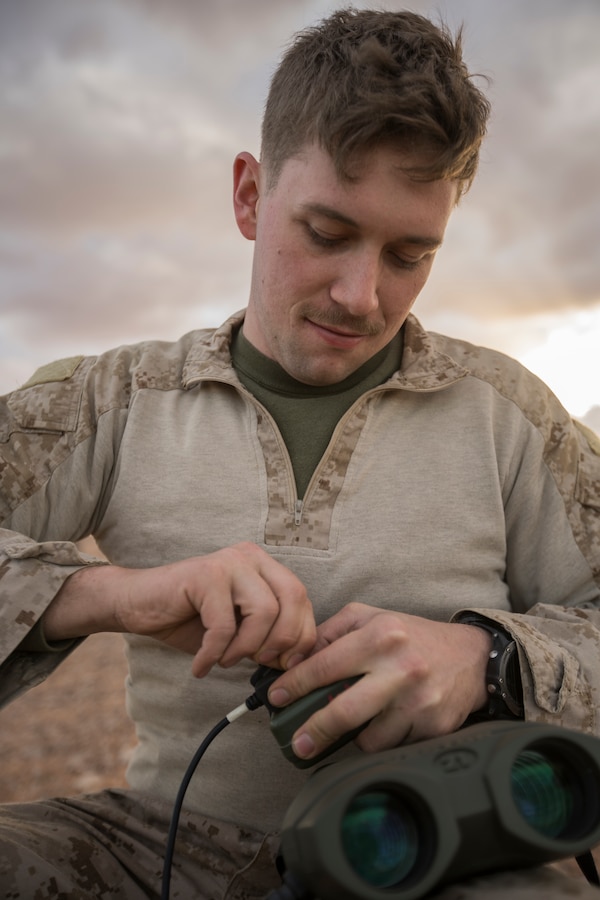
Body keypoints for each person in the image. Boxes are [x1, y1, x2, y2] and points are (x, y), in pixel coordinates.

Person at [1, 7, 599, 899]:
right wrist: (112, 595)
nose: (362, 295)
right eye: (326, 233)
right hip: (152, 847)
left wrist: (491, 660)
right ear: (249, 195)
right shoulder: (112, 402)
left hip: (442, 851)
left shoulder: (509, 417)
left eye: (410, 254)